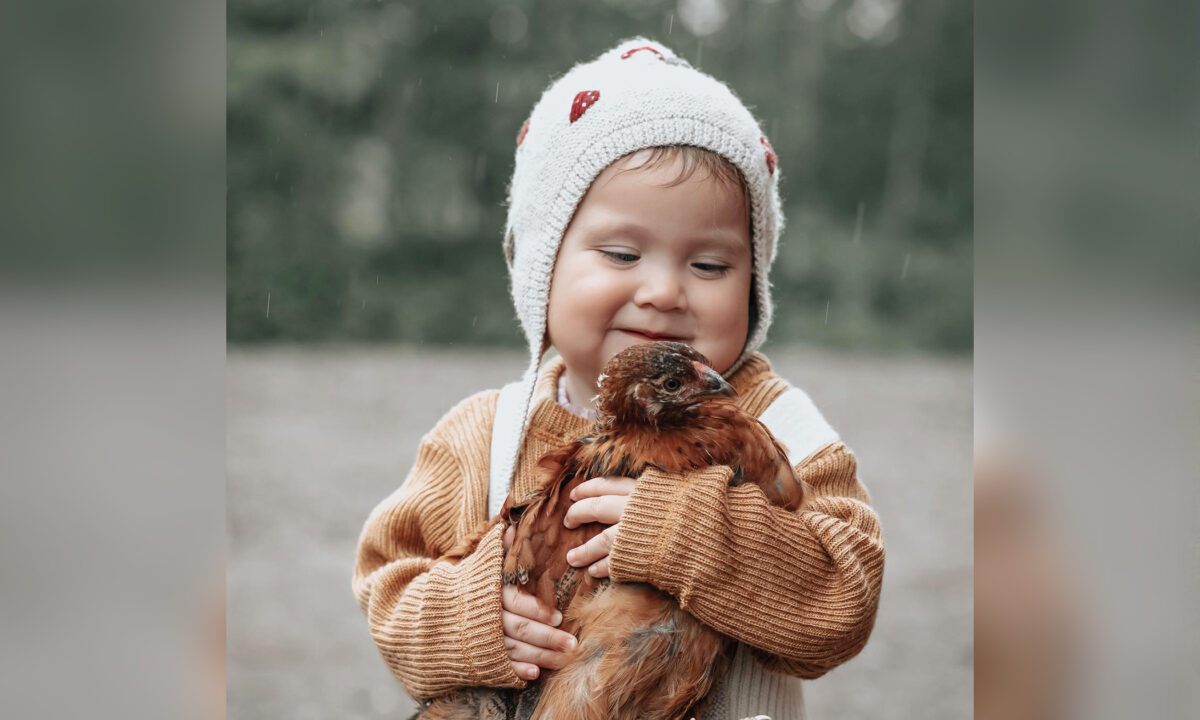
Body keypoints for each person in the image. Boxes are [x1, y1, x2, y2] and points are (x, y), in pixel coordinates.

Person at [353, 38, 884, 720]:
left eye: (711, 266)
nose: (664, 291)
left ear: (754, 287)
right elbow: (388, 586)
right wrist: (470, 623)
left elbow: (846, 602)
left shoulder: (778, 423)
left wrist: (688, 535)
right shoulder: (481, 435)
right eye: (622, 252)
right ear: (541, 271)